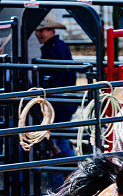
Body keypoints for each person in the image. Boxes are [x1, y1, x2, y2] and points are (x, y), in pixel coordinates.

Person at [35, 15, 78, 161]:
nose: (39, 34)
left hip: (57, 104)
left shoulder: (51, 50)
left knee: (60, 143)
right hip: (62, 102)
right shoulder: (59, 46)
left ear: (52, 31)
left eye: (44, 30)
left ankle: (73, 173)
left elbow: (54, 79)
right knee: (61, 141)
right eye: (38, 30)